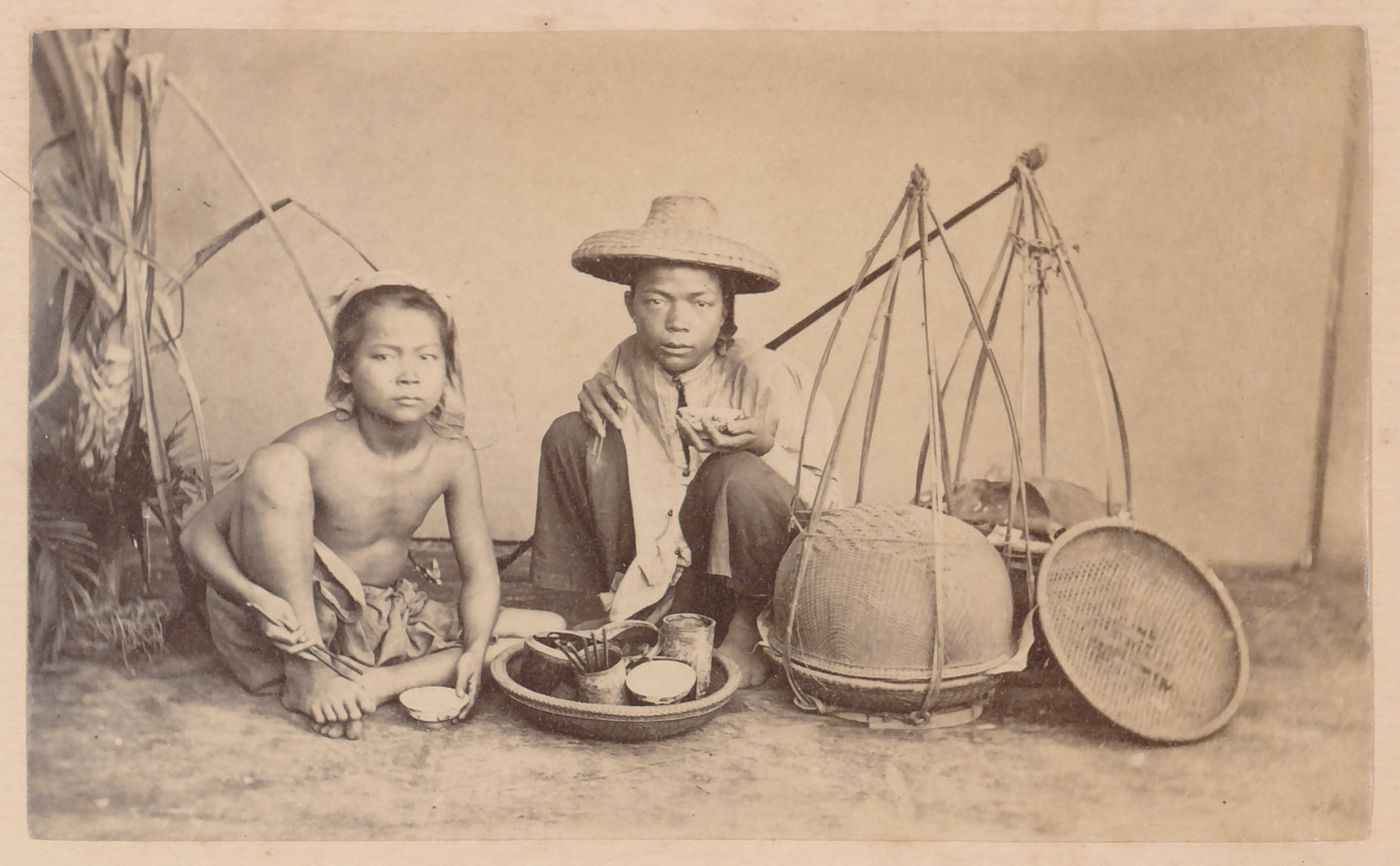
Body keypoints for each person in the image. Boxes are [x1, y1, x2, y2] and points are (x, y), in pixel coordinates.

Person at [181, 272, 563, 739]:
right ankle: (307, 672)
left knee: (546, 631)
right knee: (276, 464)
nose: (408, 375)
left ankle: (377, 684)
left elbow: (481, 574)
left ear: (447, 370)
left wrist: (474, 647)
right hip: (287, 620)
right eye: (383, 356)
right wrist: (257, 598)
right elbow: (196, 533)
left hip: (375, 616)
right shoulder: (315, 443)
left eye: (427, 357)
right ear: (346, 368)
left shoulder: (452, 455)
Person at [529, 195, 838, 687]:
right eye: (656, 300)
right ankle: (581, 605)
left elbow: (831, 504)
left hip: (746, 573)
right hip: (664, 560)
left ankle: (746, 634)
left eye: (700, 302)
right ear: (630, 304)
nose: (677, 321)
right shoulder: (623, 363)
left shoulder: (764, 376)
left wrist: (762, 446)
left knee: (730, 471)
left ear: (724, 312)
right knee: (571, 431)